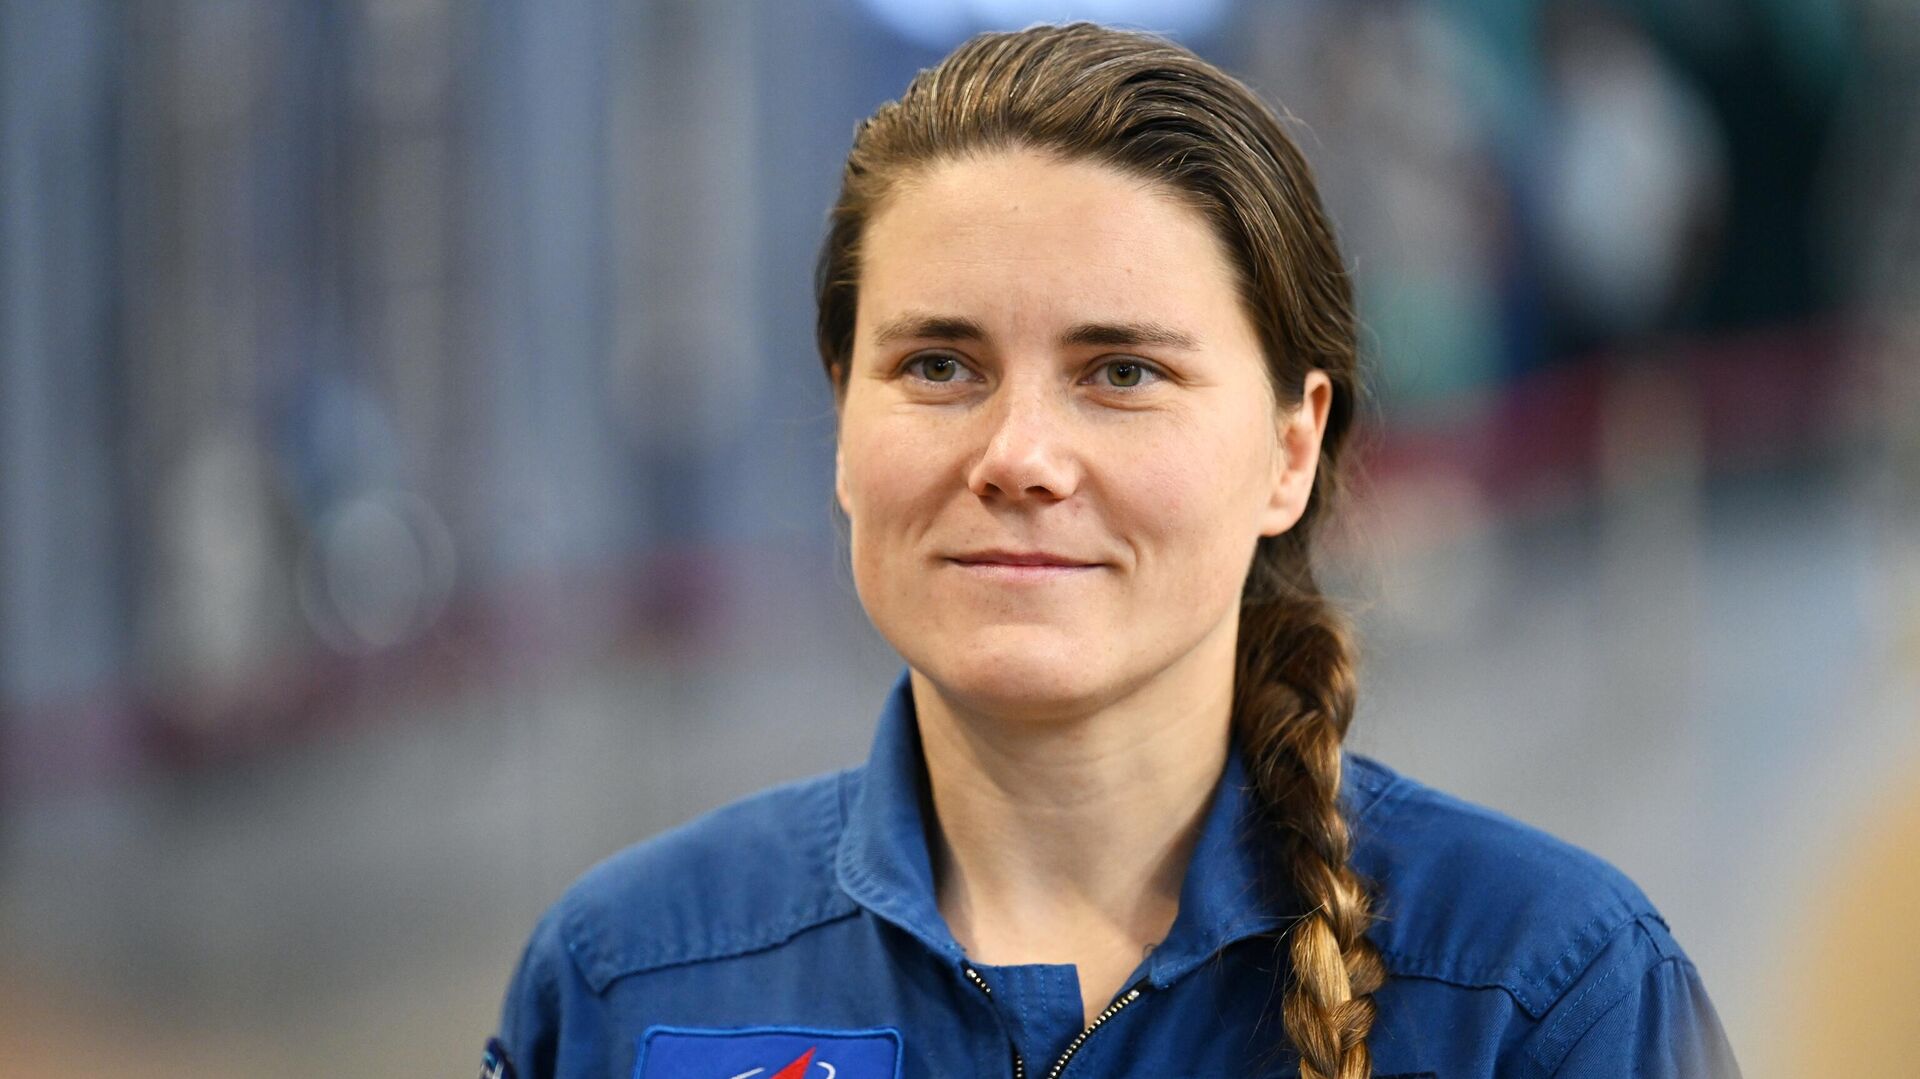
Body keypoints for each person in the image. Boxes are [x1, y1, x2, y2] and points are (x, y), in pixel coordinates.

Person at [483, 21, 1742, 1079]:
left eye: (1123, 371)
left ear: (1291, 448)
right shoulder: (629, 980)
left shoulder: (1539, 996)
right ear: (842, 421)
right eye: (938, 365)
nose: (1018, 456)